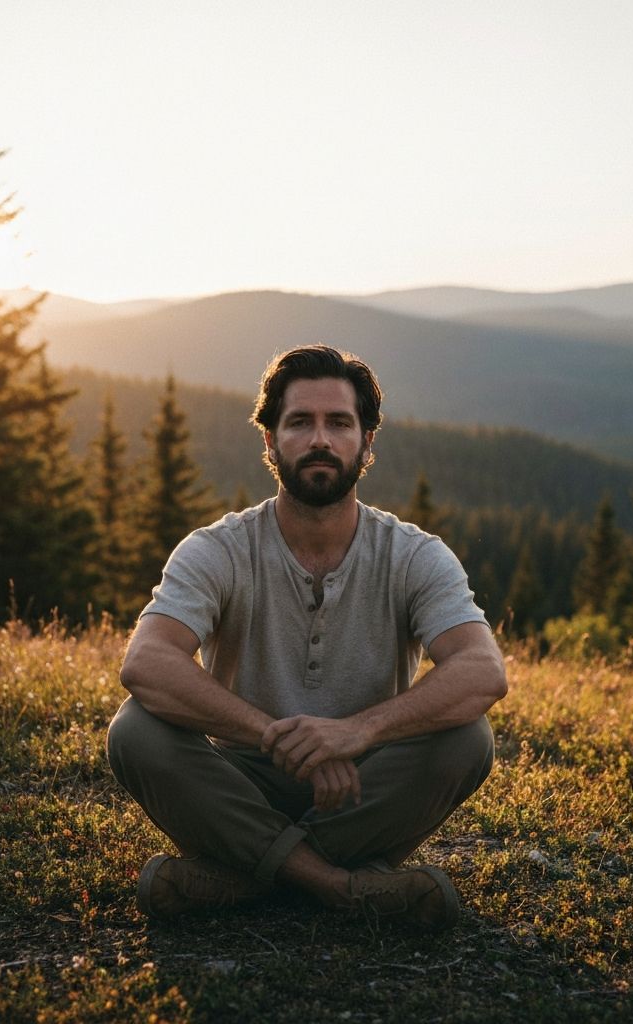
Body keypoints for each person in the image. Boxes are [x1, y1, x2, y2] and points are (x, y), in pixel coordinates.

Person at [107, 345, 507, 932]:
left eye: (339, 423)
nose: (320, 439)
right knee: (136, 730)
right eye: (300, 422)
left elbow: (482, 671)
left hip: (360, 788)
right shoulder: (218, 548)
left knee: (467, 738)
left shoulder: (414, 555)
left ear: (367, 442)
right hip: (242, 784)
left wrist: (354, 733)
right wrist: (277, 739)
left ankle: (242, 877)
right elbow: (146, 662)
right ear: (270, 441)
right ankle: (339, 886)